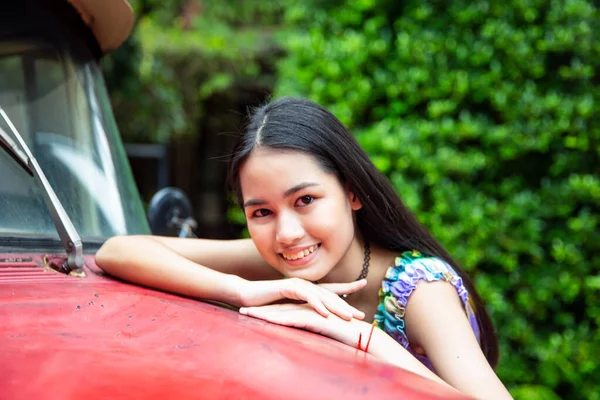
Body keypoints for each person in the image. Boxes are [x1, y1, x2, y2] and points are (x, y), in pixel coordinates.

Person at [96, 97, 513, 399]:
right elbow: (117, 252)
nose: (287, 233)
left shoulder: (419, 291)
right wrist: (241, 290)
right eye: (261, 212)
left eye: (305, 200)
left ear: (352, 192)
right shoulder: (281, 266)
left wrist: (368, 341)